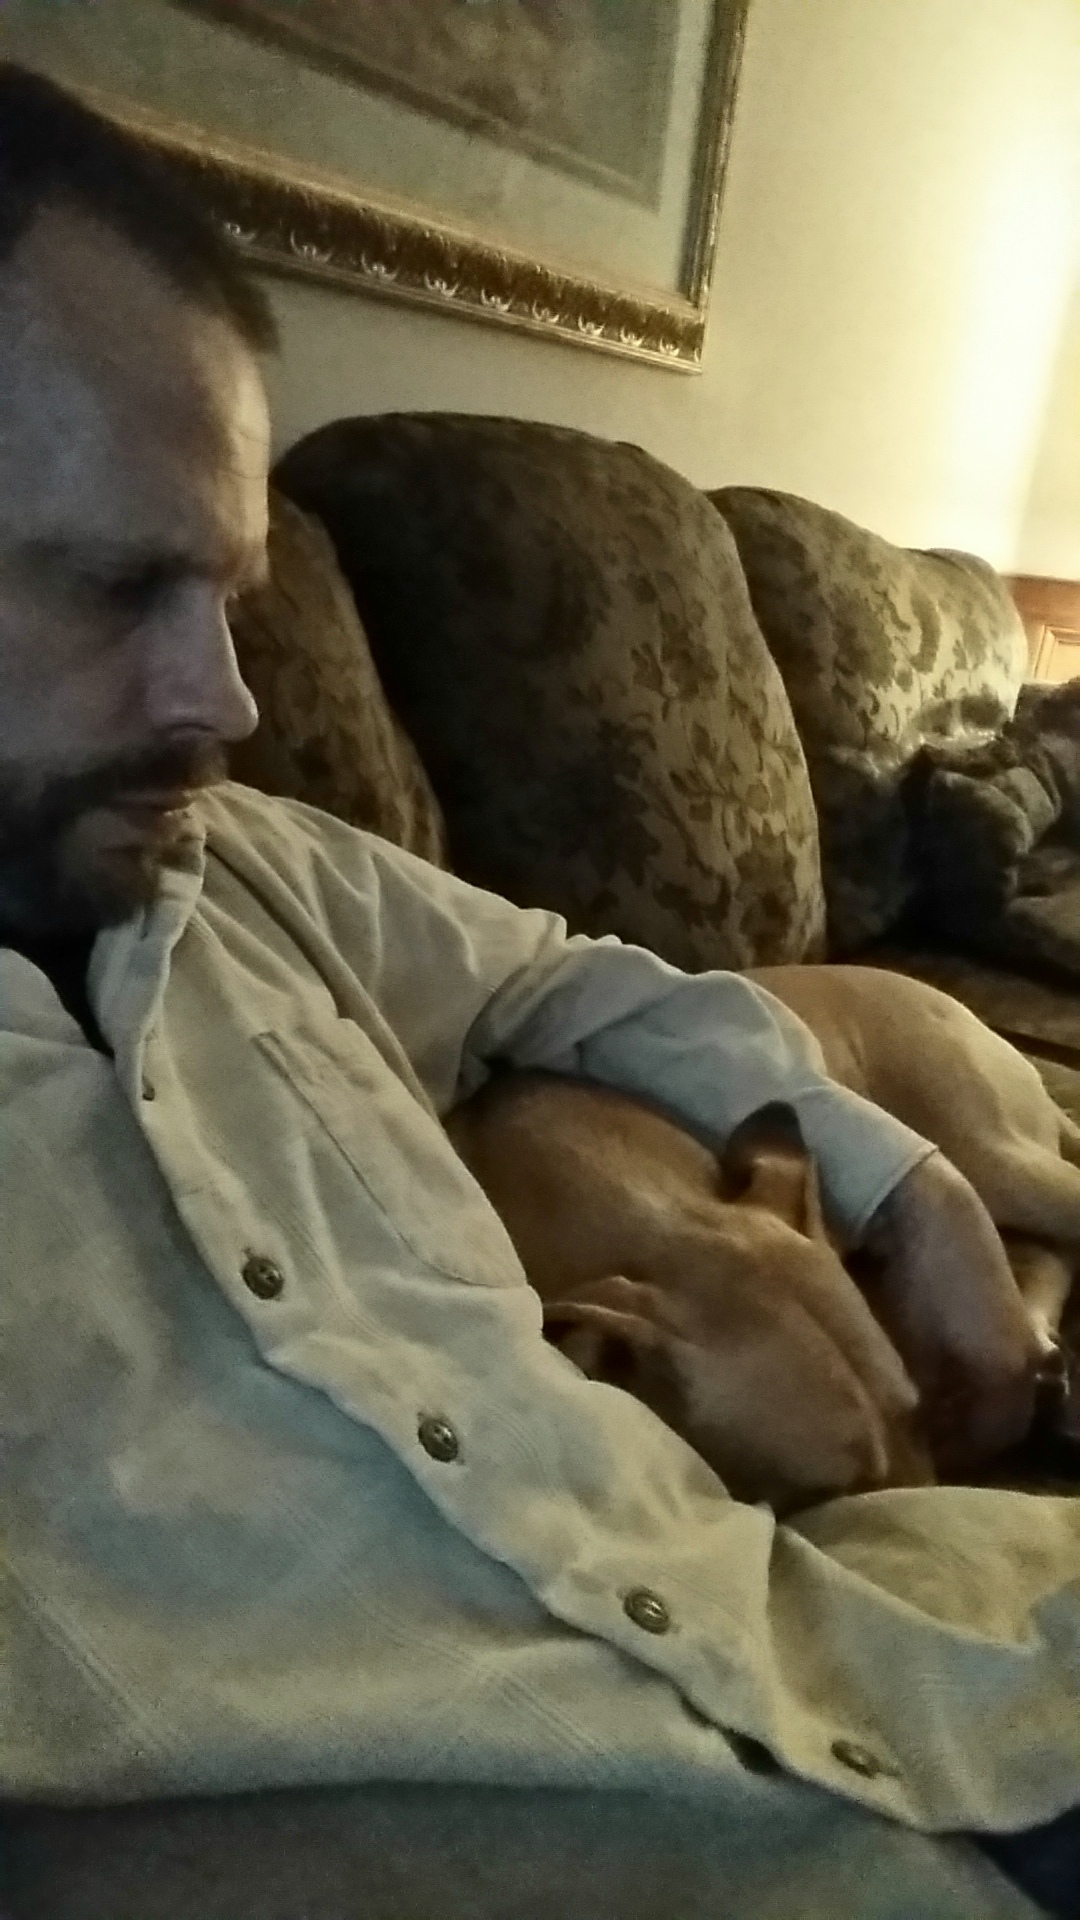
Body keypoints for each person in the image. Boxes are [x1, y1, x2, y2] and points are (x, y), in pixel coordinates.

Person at [1, 62, 1077, 1919]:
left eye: (232, 598)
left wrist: (908, 1187)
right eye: (115, 588)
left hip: (877, 1657)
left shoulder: (243, 862)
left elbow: (573, 981)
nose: (229, 701)